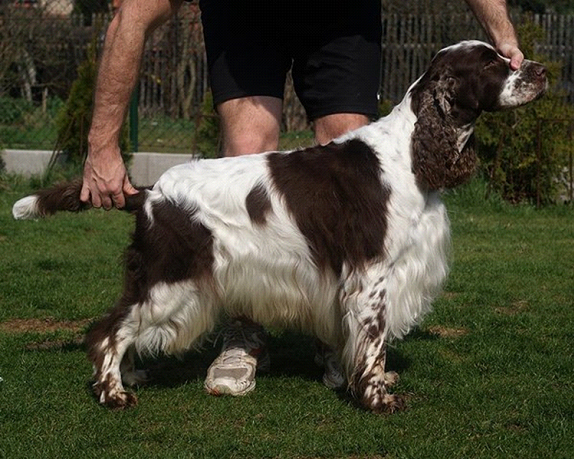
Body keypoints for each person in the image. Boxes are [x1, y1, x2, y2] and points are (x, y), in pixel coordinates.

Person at [81, 0, 524, 396]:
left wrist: (502, 33)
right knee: (246, 144)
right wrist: (102, 145)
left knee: (347, 144)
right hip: (244, 14)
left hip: (341, 15)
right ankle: (244, 334)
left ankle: (342, 344)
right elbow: (133, 13)